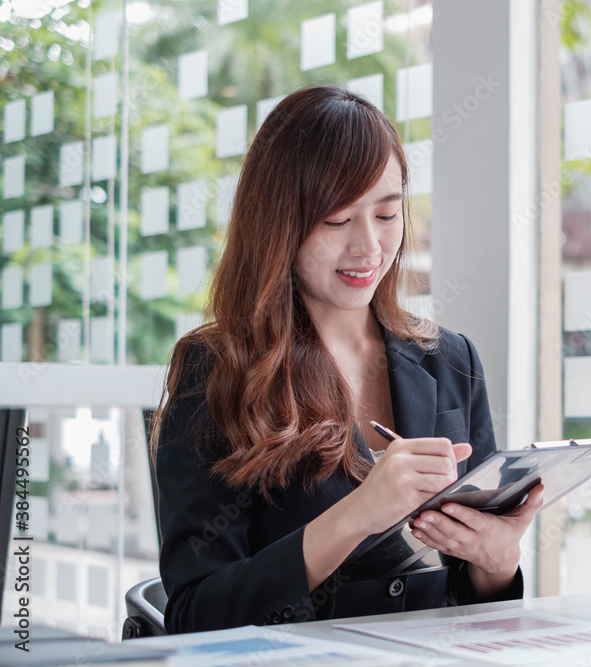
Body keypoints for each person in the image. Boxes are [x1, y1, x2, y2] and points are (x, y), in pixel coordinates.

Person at [150, 85, 544, 634]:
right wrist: (357, 516)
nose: (369, 247)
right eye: (337, 221)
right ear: (279, 224)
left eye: (387, 215)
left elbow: (474, 608)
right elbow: (195, 615)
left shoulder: (449, 359)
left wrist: (498, 564)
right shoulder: (217, 370)